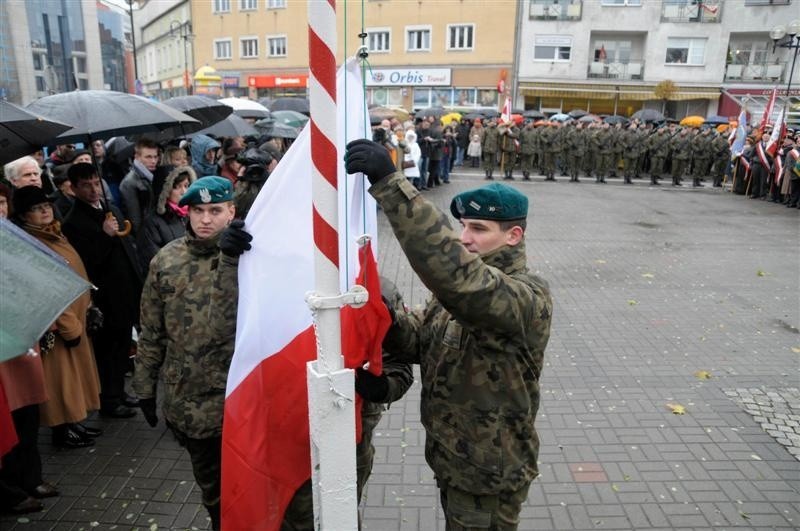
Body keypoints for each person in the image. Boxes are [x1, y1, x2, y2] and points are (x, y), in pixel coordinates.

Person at [345, 139, 553, 530]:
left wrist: (392, 186)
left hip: (489, 475)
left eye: (478, 228)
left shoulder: (526, 296)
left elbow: (459, 278)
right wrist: (379, 304)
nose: (465, 237)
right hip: (455, 459)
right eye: (462, 226)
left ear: (513, 236)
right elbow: (414, 340)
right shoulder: (455, 299)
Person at [133, 176, 252, 531]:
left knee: (250, 487)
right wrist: (144, 387)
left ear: (232, 211)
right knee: (214, 493)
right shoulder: (166, 260)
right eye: (197, 210)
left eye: (215, 210)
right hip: (191, 405)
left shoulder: (250, 256)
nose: (205, 219)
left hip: (240, 399)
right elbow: (152, 331)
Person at [11, 186, 103, 449]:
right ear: (25, 215)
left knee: (74, 380)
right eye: (37, 208)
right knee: (61, 382)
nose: (45, 211)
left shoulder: (54, 234)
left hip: (77, 317)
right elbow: (44, 289)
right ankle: (62, 431)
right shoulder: (33, 243)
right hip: (61, 323)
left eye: (47, 206)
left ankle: (74, 422)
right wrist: (68, 324)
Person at [62, 163, 143, 419]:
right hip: (105, 296)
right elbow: (87, 263)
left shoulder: (110, 209)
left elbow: (128, 247)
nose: (93, 189)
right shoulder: (74, 222)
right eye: (86, 185)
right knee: (107, 350)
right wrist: (104, 236)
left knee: (122, 345)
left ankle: (119, 391)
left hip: (125, 290)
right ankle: (108, 398)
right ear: (73, 188)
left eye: (96, 182)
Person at [0, 184, 54, 514]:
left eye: (3, 202)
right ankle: (9, 489)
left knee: (27, 414)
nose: (0, 210)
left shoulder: (18, 240)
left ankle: (30, 477)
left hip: (22, 340)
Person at [137, 165, 196, 275]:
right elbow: (154, 263)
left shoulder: (191, 214)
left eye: (187, 186)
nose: (184, 191)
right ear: (165, 191)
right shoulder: (151, 223)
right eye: (177, 187)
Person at [119, 138, 160, 235]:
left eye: (155, 156)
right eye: (148, 157)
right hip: (146, 235)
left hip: (155, 229)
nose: (153, 161)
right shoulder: (129, 183)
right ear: (137, 157)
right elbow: (135, 219)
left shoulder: (154, 175)